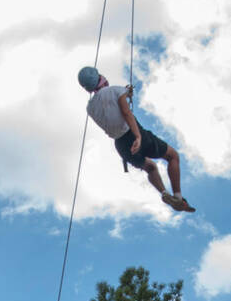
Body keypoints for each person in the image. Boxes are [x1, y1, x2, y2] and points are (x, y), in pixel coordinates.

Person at [78, 66, 195, 213]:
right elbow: (126, 113)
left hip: (121, 145)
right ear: (100, 78)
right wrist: (138, 136)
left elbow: (109, 108)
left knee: (150, 167)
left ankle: (164, 193)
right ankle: (178, 197)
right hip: (133, 134)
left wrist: (125, 94)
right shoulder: (115, 90)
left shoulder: (90, 108)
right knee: (172, 156)